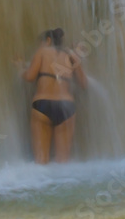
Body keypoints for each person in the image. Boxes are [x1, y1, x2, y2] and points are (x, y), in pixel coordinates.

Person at [16, 28, 87, 163]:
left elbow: (30, 76)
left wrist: (20, 70)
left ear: (48, 41)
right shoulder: (71, 56)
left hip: (42, 104)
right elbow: (84, 83)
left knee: (41, 161)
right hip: (66, 107)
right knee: (63, 162)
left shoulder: (42, 52)